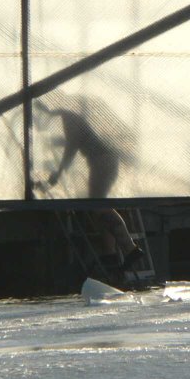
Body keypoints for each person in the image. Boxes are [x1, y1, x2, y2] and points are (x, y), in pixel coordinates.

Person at [40, 99, 144, 272]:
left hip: (102, 162)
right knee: (100, 205)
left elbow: (72, 148)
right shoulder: (70, 119)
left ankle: (130, 248)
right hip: (102, 161)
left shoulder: (69, 119)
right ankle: (110, 253)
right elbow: (77, 140)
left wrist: (57, 174)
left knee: (99, 206)